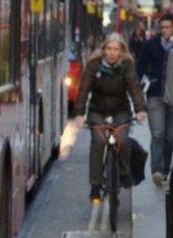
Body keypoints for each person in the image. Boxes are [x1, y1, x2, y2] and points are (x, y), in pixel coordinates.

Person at [74, 33, 147, 202]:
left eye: (116, 49)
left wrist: (140, 109)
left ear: (121, 52)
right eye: (109, 49)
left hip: (120, 110)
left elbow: (134, 88)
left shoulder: (127, 65)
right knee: (98, 143)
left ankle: (123, 172)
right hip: (97, 111)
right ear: (104, 50)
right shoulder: (94, 65)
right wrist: (79, 113)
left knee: (122, 139)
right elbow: (83, 89)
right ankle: (95, 185)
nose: (112, 53)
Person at [136, 13, 173, 186]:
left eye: (168, 27)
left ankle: (165, 169)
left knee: (169, 136)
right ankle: (156, 170)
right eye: (163, 27)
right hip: (155, 95)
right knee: (157, 135)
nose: (165, 30)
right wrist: (145, 83)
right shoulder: (150, 45)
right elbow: (138, 69)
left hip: (172, 97)